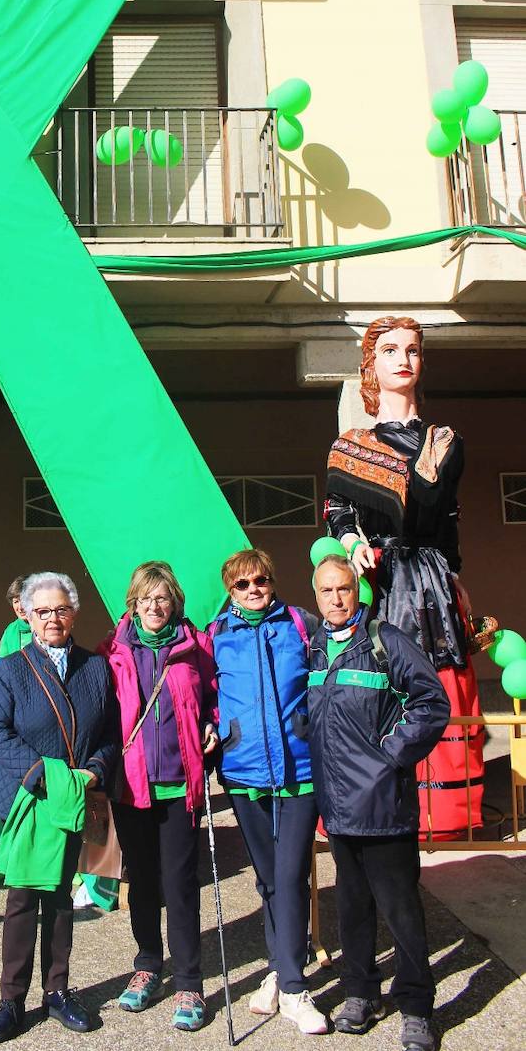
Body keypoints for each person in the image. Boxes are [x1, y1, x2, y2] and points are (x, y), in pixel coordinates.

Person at [324, 314, 483, 834]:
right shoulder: (351, 445)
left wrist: (454, 575)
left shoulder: (445, 441)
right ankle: (371, 799)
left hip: (430, 581)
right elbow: (338, 507)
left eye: (412, 350)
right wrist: (352, 542)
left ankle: (446, 811)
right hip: (378, 578)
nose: (403, 360)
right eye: (390, 350)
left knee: (438, 675)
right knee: (373, 675)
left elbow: (445, 517)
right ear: (371, 364)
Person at [307, 555, 449, 1051]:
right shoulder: (316, 648)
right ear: (316, 596)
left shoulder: (385, 640)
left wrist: (390, 756)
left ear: (357, 590)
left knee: (401, 911)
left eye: (343, 589)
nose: (336, 599)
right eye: (326, 591)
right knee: (352, 907)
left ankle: (416, 1007)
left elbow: (432, 703)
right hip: (338, 808)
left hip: (384, 806)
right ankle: (361, 993)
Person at [0, 571, 119, 1044]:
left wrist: (95, 770)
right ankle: (11, 1000)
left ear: (74, 613)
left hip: (74, 796)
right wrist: (43, 775)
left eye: (60, 609)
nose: (52, 619)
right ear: (26, 615)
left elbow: (110, 732)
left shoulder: (95, 667)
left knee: (60, 898)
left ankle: (57, 992)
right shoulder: (11, 668)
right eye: (42, 611)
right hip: (30, 797)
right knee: (22, 899)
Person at [209, 548, 326, 1036]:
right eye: (242, 584)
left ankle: (295, 988)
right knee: (269, 880)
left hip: (299, 770)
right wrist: (211, 727)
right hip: (244, 772)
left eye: (261, 580)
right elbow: (203, 694)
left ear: (273, 582)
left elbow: (325, 683)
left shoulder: (301, 624)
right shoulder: (215, 634)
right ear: (230, 590)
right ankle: (279, 970)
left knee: (291, 873)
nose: (253, 589)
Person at [100, 560, 218, 1033]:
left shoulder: (195, 646)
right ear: (133, 604)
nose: (154, 606)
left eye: (162, 597)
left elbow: (214, 695)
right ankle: (148, 963)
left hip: (179, 784)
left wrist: (211, 722)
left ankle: (189, 980)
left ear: (175, 603)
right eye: (146, 598)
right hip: (132, 787)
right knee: (143, 882)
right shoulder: (113, 651)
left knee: (182, 883)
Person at [0, 575, 32, 660]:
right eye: (16, 602)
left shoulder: (47, 628)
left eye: (24, 600)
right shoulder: (10, 630)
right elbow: (0, 665)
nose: (20, 607)